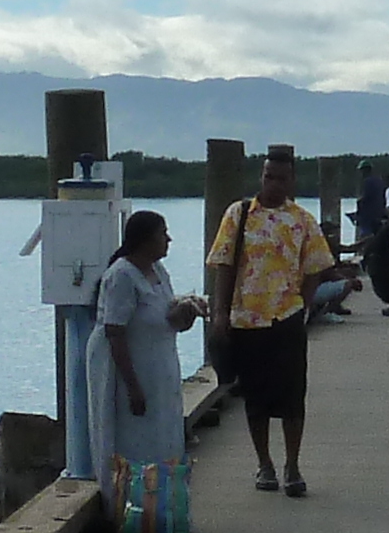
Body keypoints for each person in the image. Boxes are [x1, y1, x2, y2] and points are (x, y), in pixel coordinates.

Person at [207, 144, 336, 498]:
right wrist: (220, 312)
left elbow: (316, 267)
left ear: (292, 180)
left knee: (293, 397)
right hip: (246, 320)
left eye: (280, 178)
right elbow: (224, 264)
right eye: (267, 177)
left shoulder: (301, 220)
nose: (273, 184)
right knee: (256, 399)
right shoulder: (240, 214)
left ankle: (292, 465)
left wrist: (303, 307)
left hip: (286, 320)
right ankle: (264, 463)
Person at [92, 209, 201, 500]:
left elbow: (168, 320)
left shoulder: (158, 272)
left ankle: (161, 504)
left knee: (164, 437)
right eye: (162, 234)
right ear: (143, 240)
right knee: (134, 441)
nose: (168, 239)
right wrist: (133, 388)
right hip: (132, 372)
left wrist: (188, 312)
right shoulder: (122, 276)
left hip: (160, 370)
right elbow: (114, 332)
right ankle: (128, 505)